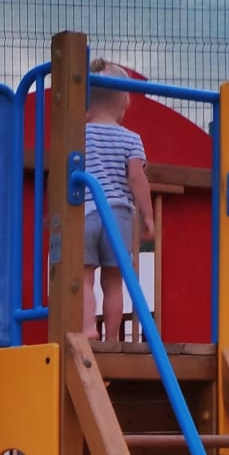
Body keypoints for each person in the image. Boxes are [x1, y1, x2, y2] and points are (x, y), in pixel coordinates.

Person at [82, 59, 155, 342]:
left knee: (84, 278)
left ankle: (89, 328)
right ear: (123, 102)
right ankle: (112, 338)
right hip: (119, 216)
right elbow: (137, 178)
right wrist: (148, 216)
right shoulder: (131, 139)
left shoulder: (79, 135)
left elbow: (64, 172)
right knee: (113, 282)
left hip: (86, 212)